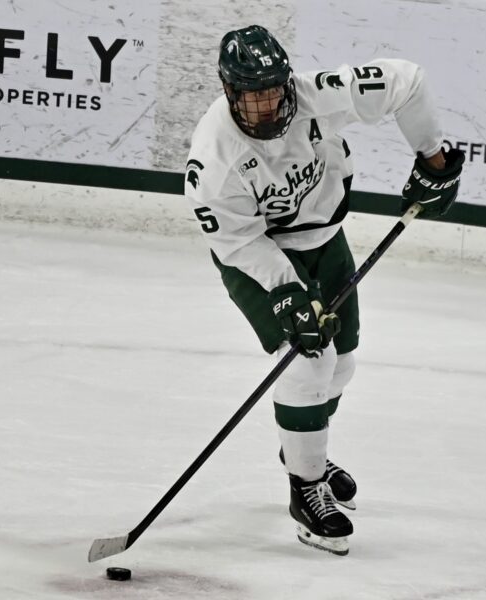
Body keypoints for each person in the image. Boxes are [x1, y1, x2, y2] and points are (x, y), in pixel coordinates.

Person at [185, 24, 463, 556]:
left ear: (287, 82)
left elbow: (407, 80)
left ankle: (302, 450)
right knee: (308, 363)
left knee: (342, 364)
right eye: (252, 97)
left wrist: (432, 159)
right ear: (229, 93)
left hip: (326, 239)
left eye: (273, 92)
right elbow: (239, 242)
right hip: (258, 256)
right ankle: (305, 489)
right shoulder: (213, 160)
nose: (266, 108)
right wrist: (287, 291)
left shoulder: (318, 95)